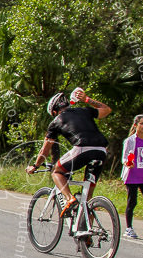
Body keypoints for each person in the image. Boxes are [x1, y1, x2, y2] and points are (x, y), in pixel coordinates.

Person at [26, 87, 111, 218]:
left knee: (56, 171)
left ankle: (69, 198)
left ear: (54, 111)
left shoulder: (56, 121)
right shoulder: (84, 110)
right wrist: (87, 99)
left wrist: (35, 166)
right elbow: (107, 110)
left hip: (82, 149)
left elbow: (45, 150)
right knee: (87, 198)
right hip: (101, 152)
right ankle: (86, 235)